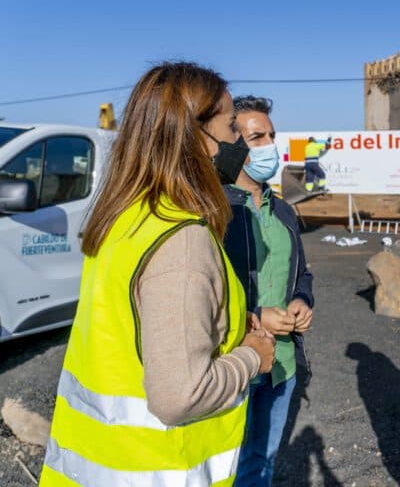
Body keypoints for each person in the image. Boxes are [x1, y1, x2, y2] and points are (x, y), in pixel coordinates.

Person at [39, 62, 276, 487]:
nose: (238, 140)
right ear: (197, 138)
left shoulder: (126, 217)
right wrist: (253, 355)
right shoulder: (182, 241)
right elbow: (180, 396)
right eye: (230, 125)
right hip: (157, 471)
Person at [226, 95, 315, 487]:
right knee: (224, 464)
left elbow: (302, 274)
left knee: (261, 465)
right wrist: (255, 314)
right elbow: (204, 292)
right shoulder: (215, 211)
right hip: (234, 360)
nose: (270, 146)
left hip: (282, 364)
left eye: (272, 136)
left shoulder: (284, 212)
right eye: (257, 137)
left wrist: (302, 301)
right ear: (234, 145)